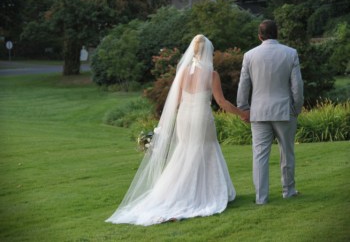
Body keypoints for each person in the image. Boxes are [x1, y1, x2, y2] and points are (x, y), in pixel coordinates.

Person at [106, 34, 248, 226]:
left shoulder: (183, 72)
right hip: (200, 117)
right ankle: (202, 194)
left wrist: (162, 126)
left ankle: (174, 192)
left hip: (184, 116)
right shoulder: (212, 75)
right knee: (204, 150)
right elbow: (221, 102)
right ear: (207, 53)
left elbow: (175, 102)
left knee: (185, 150)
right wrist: (241, 114)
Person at [237, 20, 304, 205]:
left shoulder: (249, 55)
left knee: (259, 155)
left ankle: (261, 198)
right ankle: (289, 191)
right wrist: (296, 108)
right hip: (284, 111)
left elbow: (244, 85)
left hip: (258, 112)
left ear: (260, 36)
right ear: (277, 33)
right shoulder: (290, 53)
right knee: (287, 152)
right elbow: (297, 86)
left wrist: (243, 108)